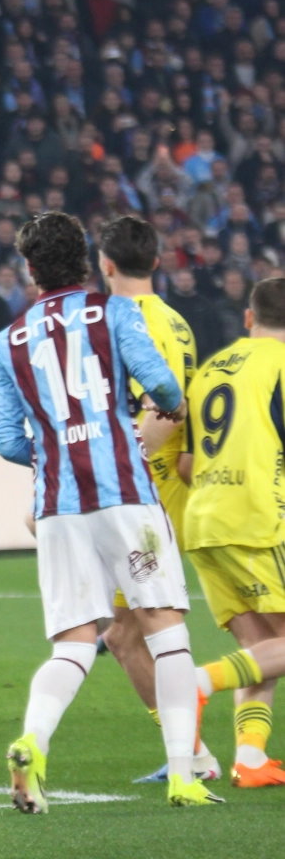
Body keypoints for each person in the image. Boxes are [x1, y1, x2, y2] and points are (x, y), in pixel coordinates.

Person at [0, 212, 216, 810]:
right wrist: (153, 413)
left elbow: (8, 442)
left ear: (30, 269)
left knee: (73, 644)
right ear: (88, 261)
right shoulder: (114, 313)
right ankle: (184, 774)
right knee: (166, 630)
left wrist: (56, 450)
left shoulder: (6, 342)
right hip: (126, 494)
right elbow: (164, 387)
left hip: (57, 506)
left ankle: (33, 741)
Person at [93, 216, 222, 783]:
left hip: (146, 495)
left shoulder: (130, 320)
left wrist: (119, 465)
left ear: (105, 264)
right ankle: (191, 753)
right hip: (164, 490)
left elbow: (166, 410)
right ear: (156, 262)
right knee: (124, 634)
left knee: (130, 636)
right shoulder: (175, 318)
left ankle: (194, 755)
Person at [175, 276, 285, 787]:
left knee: (263, 651)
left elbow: (185, 464)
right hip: (258, 518)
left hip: (204, 520)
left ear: (249, 317)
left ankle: (251, 758)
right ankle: (196, 683)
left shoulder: (211, 370)